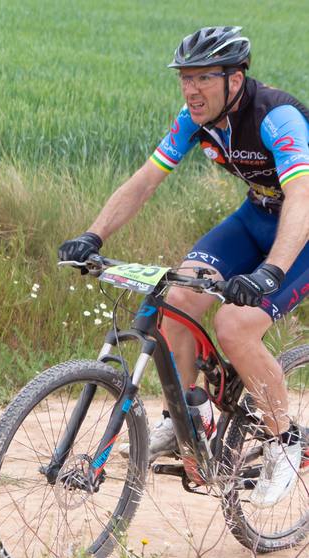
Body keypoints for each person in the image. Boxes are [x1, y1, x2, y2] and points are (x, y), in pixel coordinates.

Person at [59, 26, 309, 507]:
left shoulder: (277, 118)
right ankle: (186, 417)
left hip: (304, 228)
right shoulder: (197, 119)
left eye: (203, 79)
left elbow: (299, 195)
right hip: (256, 217)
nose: (191, 90)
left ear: (234, 80)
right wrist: (94, 235)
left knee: (235, 326)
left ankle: (285, 443)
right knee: (177, 299)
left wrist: (271, 272)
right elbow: (145, 181)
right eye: (184, 79)